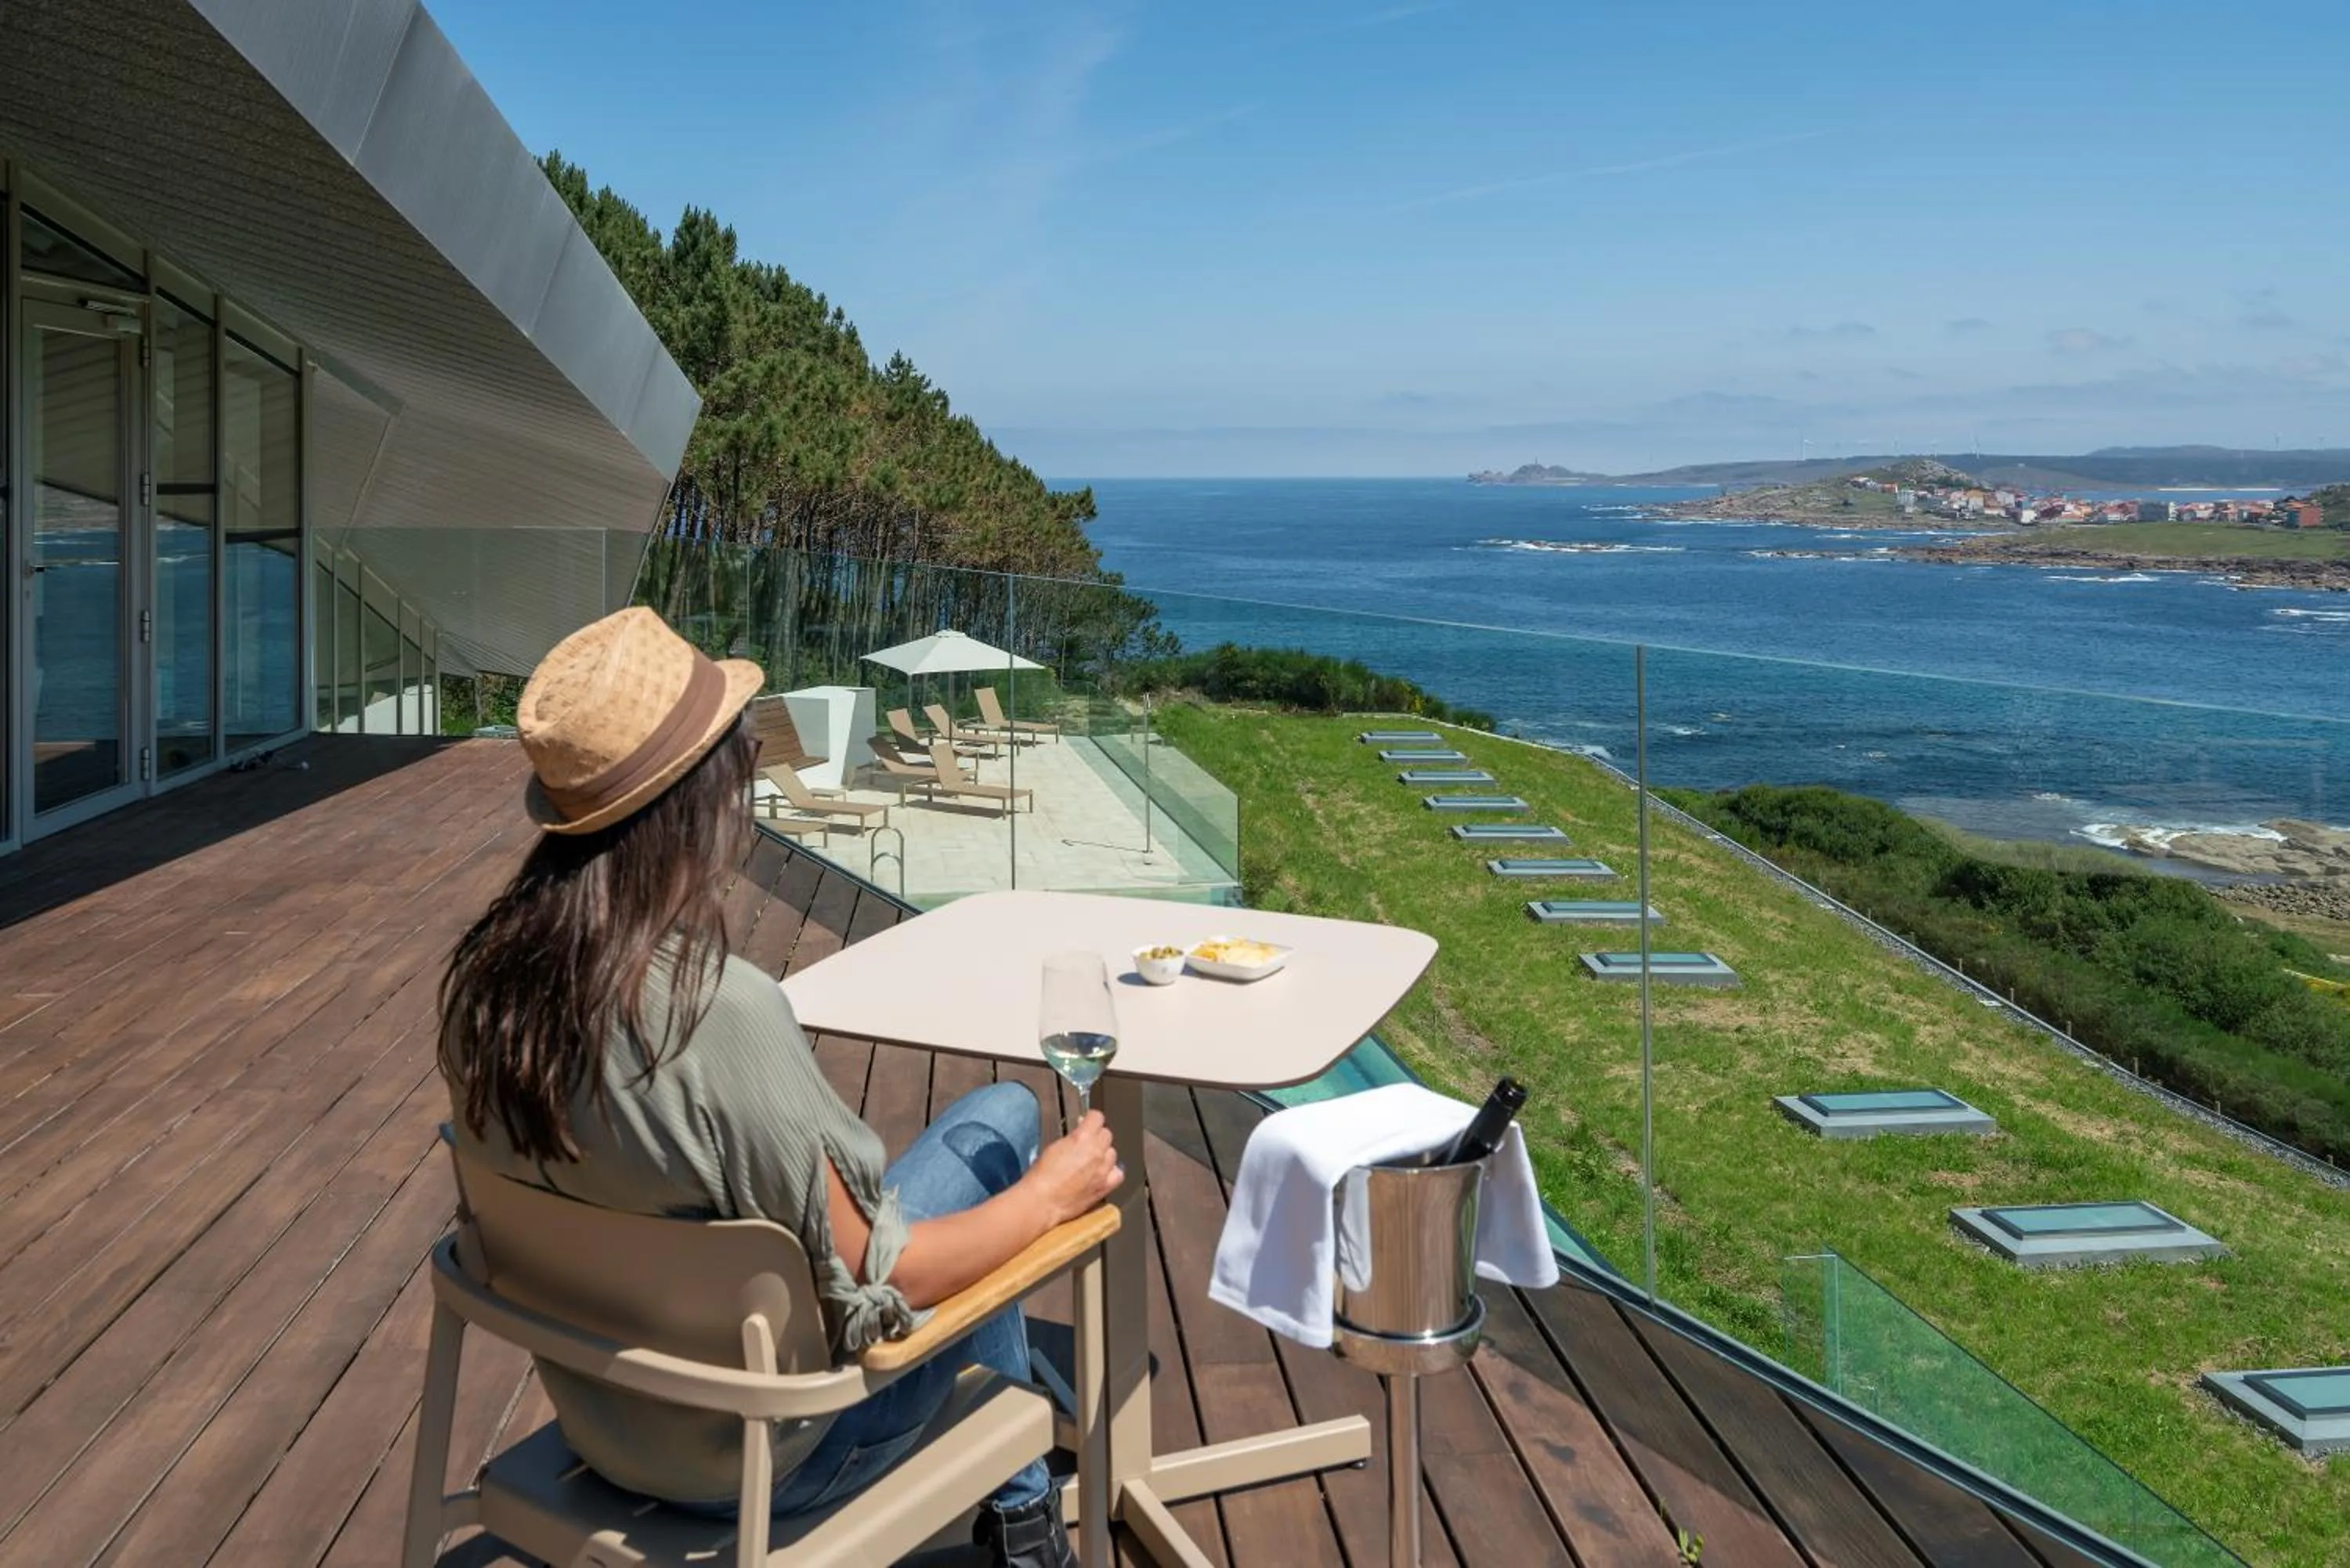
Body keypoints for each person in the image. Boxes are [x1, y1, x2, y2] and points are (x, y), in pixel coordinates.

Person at [438, 607, 1119, 1568]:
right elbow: (888, 1278)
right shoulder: (717, 1015)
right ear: (702, 799)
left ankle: (1022, 1516)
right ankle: (1026, 1520)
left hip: (608, 1425)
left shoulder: (487, 996)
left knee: (997, 1116)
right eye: (744, 757)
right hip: (777, 1451)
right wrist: (1050, 1196)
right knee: (1007, 1130)